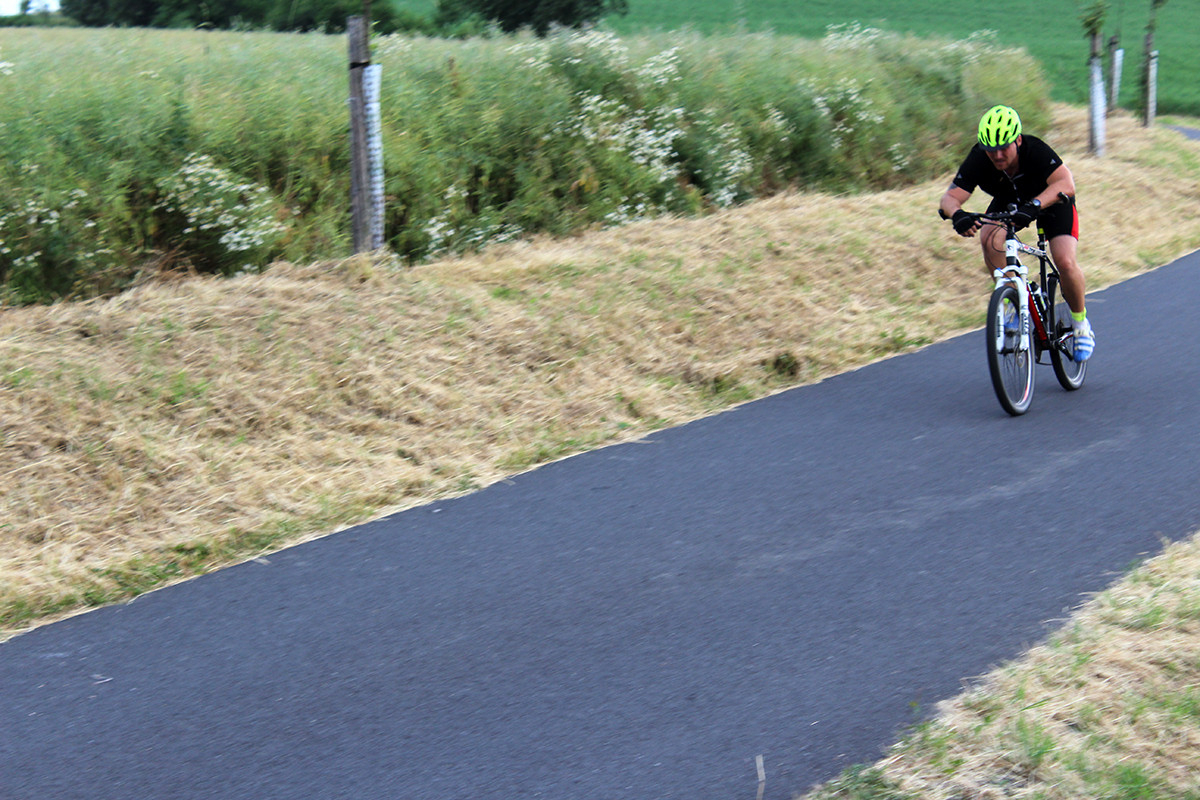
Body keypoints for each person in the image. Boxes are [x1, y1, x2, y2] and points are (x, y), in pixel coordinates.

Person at [938, 105, 1094, 361]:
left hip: (1051, 201)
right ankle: (1013, 300)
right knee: (989, 238)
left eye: (1004, 148)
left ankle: (1080, 325)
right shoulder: (979, 157)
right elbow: (949, 198)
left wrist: (1035, 205)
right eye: (991, 149)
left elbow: (1066, 184)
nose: (997, 155)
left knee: (1065, 261)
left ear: (1018, 140)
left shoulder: (1035, 150)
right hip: (1011, 202)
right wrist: (957, 214)